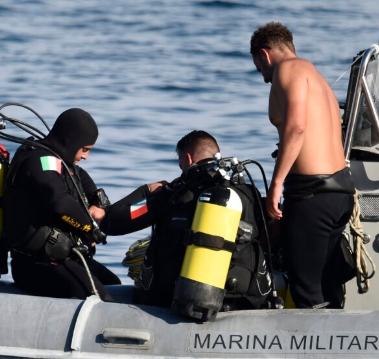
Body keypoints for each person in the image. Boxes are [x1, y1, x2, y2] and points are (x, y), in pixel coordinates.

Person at [93, 131, 271, 309]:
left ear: (188, 158)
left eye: (180, 165)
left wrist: (147, 191)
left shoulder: (174, 194)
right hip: (243, 298)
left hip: (178, 300)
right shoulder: (248, 194)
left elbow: (113, 222)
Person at [250, 22, 355, 308]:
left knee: (305, 288)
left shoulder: (288, 70)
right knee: (326, 284)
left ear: (265, 55)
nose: (264, 78)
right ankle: (342, 345)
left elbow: (296, 129)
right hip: (340, 192)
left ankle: (318, 352)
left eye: (260, 68)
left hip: (313, 195)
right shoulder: (316, 76)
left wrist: (276, 186)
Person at [3, 108, 121, 301]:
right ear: (71, 141)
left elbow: (82, 179)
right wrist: (90, 229)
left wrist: (96, 202)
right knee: (102, 300)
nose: (86, 157)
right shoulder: (38, 162)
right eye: (85, 149)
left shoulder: (60, 162)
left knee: (113, 283)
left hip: (64, 259)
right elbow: (60, 203)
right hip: (35, 265)